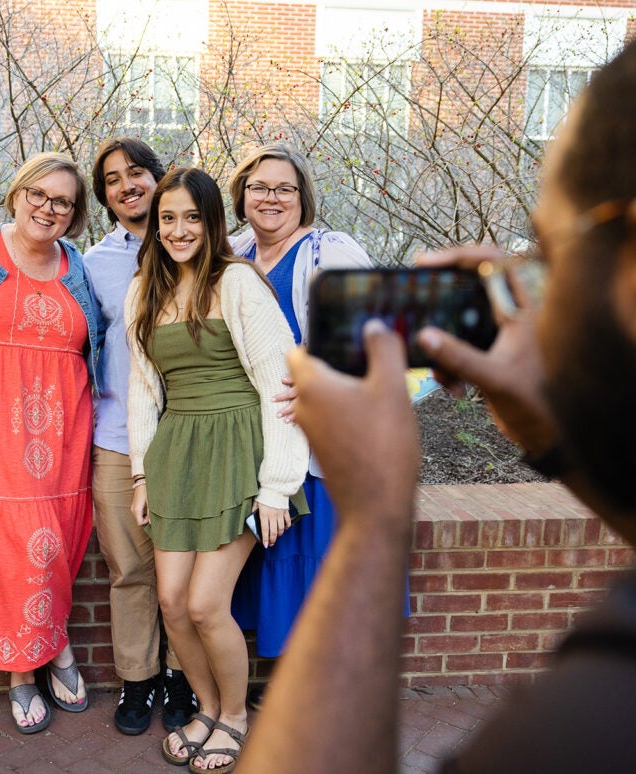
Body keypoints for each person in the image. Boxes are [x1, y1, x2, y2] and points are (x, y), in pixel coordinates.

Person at [241, 23, 636, 774]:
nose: (527, 284)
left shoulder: (606, 716)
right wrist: (555, 439)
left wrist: (372, 518)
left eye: (546, 253)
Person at [126, 167, 310, 773]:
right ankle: (206, 708)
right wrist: (141, 476)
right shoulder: (143, 291)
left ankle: (235, 716)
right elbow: (142, 391)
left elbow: (280, 384)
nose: (178, 230)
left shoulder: (237, 282)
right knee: (172, 602)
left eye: (191, 217)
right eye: (167, 218)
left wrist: (278, 486)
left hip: (237, 451)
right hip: (175, 455)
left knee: (207, 604)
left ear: (212, 222)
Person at [0, 152, 100, 735]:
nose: (47, 208)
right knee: (7, 542)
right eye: (38, 193)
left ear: (75, 214)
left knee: (57, 539)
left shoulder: (79, 265)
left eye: (62, 201)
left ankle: (53, 640)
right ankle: (22, 671)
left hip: (66, 426)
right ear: (16, 193)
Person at [226, 144, 376, 707]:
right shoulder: (236, 254)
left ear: (302, 196)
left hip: (318, 440)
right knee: (275, 560)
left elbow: (370, 322)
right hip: (260, 441)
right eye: (259, 187)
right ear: (241, 196)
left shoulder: (328, 250)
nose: (270, 197)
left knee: (317, 560)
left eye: (283, 188)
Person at [84, 137, 197, 735]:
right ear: (103, 196)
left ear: (159, 178)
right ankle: (138, 679)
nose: (126, 185)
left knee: (188, 570)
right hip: (116, 439)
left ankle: (182, 675)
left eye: (136, 173)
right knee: (129, 568)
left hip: (188, 440)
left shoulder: (196, 249)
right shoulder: (94, 262)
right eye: (111, 179)